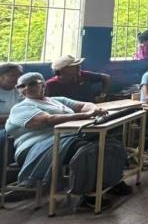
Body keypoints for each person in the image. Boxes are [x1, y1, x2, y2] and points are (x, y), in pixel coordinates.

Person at [6, 72, 131, 200]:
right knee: (86, 149)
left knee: (106, 142)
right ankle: (84, 194)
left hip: (66, 139)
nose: (27, 88)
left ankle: (111, 181)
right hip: (36, 148)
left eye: (32, 84)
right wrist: (86, 115)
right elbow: (48, 119)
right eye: (22, 86)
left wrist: (93, 110)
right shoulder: (21, 107)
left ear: (43, 85)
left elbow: (84, 105)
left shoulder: (57, 101)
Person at [45, 55, 111, 102]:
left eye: (79, 64)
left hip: (93, 106)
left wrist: (103, 95)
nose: (79, 67)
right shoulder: (50, 85)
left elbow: (106, 77)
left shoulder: (84, 75)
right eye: (74, 65)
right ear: (63, 69)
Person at [0, 63, 24, 174]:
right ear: (1, 76)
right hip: (4, 128)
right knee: (5, 138)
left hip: (20, 125)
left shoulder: (21, 91)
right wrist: (16, 116)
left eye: (19, 75)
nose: (17, 78)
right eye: (13, 75)